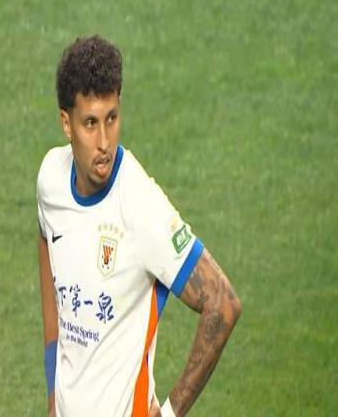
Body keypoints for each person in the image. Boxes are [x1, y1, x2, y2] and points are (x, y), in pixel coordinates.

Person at [37, 35, 241, 417]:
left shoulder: (140, 206)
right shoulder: (51, 179)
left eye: (112, 118)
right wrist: (53, 391)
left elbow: (223, 302)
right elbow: (46, 240)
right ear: (66, 123)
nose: (104, 141)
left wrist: (169, 413)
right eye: (90, 123)